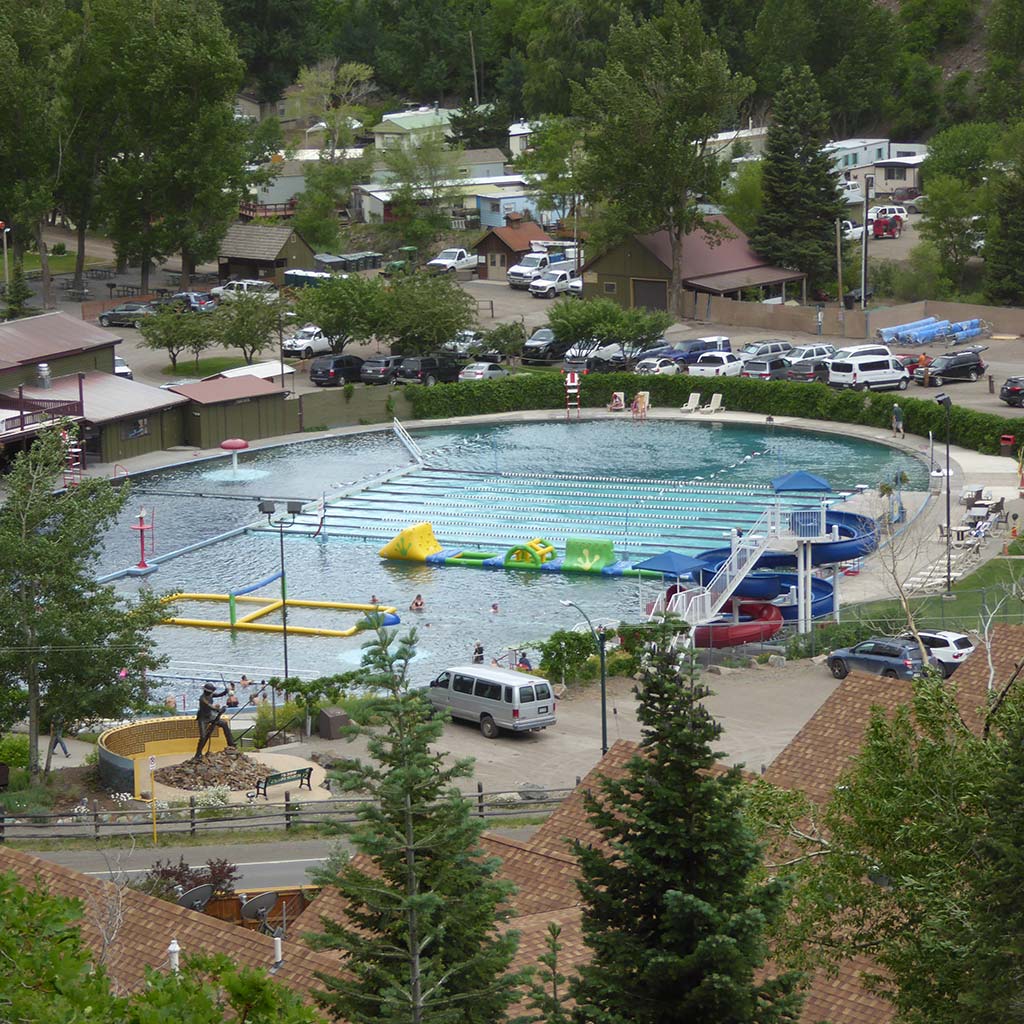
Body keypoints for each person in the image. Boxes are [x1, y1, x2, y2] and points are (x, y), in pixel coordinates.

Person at [194, 683, 235, 759]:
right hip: (203, 719)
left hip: (210, 716)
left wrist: (225, 692)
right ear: (208, 692)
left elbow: (219, 695)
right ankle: (198, 753)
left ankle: (231, 744)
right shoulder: (202, 699)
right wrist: (219, 710)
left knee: (224, 724)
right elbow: (210, 706)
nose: (212, 693)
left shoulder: (210, 695)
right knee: (203, 737)